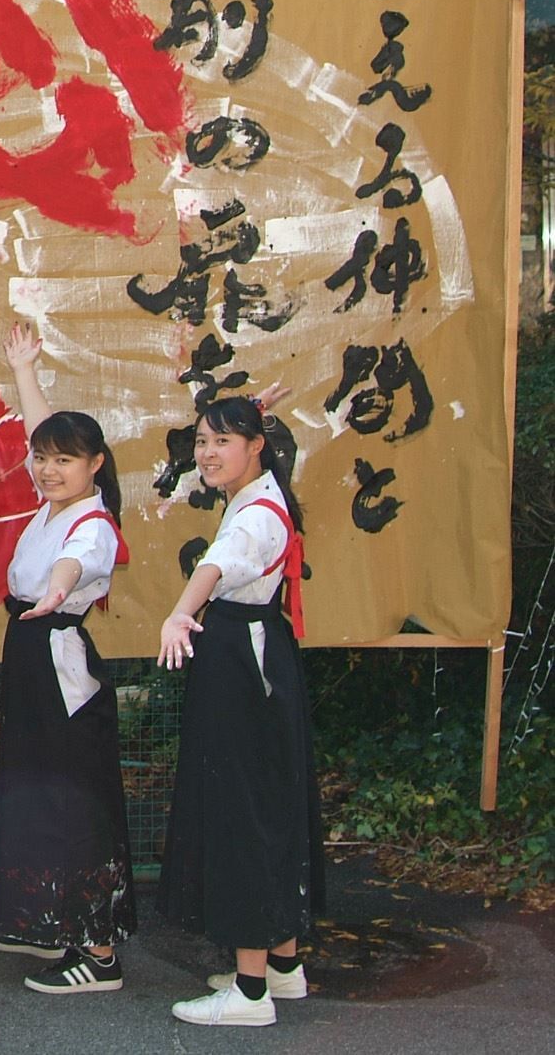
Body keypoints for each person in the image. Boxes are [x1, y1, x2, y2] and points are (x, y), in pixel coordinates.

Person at [157, 394, 325, 1029]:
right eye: (202, 441)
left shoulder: (254, 513)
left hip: (242, 660)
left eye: (222, 441)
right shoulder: (261, 492)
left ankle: (251, 992)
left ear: (256, 446)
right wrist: (251, 408)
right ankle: (282, 965)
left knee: (244, 812)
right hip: (252, 653)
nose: (207, 453)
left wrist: (180, 613)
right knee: (267, 804)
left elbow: (216, 565)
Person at [0, 323, 134, 994]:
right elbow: (40, 433)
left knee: (74, 802)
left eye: (64, 461)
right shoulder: (54, 503)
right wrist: (24, 370)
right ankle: (51, 924)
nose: (48, 469)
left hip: (59, 657)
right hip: (29, 650)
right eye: (42, 460)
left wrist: (55, 591)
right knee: (36, 794)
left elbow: (78, 562)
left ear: (95, 464)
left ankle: (98, 951)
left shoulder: (92, 524)